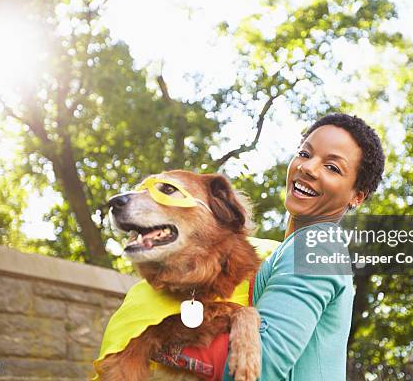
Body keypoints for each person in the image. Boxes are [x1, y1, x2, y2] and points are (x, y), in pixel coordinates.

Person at [160, 113, 385, 380]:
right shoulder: (291, 249)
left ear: (356, 196)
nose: (309, 168)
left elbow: (259, 364)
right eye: (305, 153)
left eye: (333, 167)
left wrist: (156, 345)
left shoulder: (317, 247)